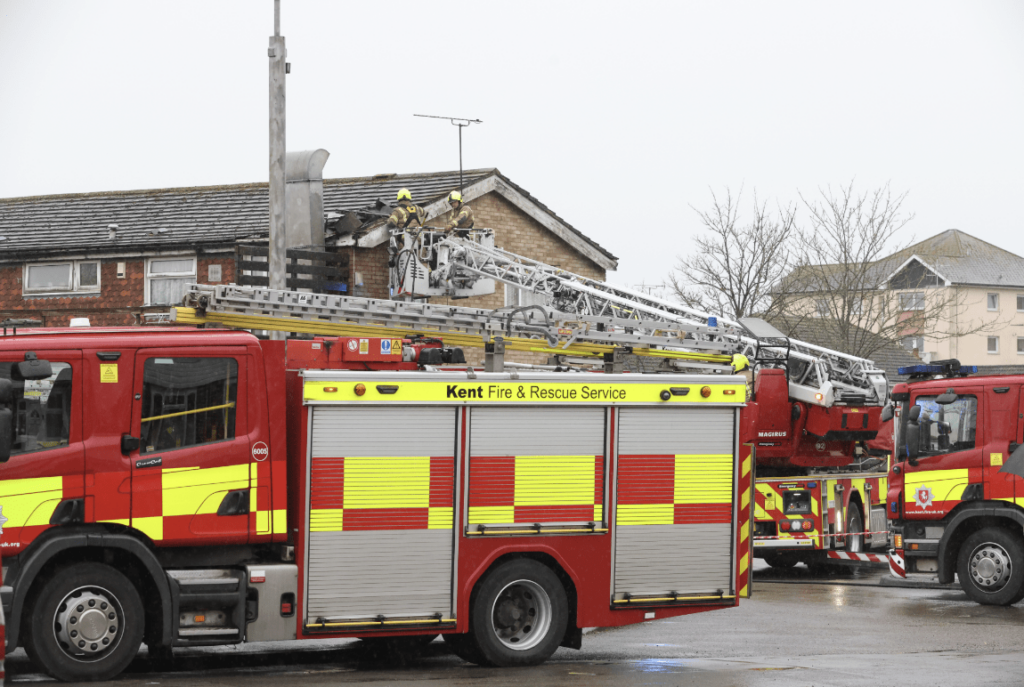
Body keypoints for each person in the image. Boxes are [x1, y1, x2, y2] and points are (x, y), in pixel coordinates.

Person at [386, 188, 424, 267]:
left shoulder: (397, 210)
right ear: (409, 199)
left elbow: (391, 223)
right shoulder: (417, 208)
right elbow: (424, 212)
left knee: (404, 264)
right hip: (419, 240)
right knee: (420, 262)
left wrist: (389, 217)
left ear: (399, 200)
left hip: (405, 241)